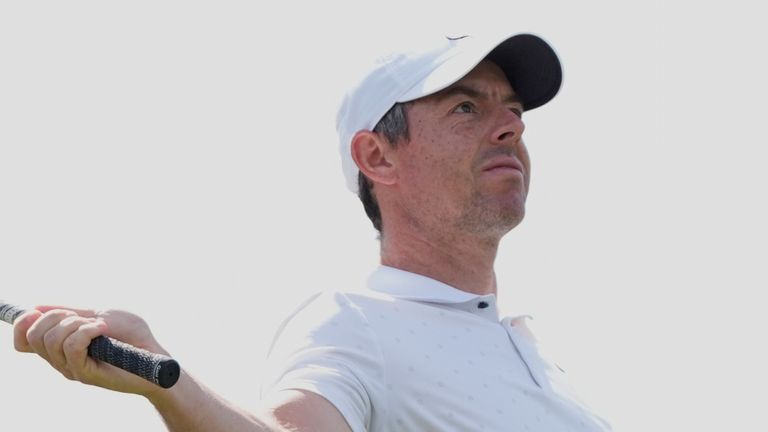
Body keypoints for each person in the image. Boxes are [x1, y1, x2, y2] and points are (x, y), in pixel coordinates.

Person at [12, 29, 613, 431]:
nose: (511, 127)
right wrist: (171, 384)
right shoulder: (354, 324)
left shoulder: (543, 362)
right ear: (377, 157)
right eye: (466, 107)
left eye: (513, 110)